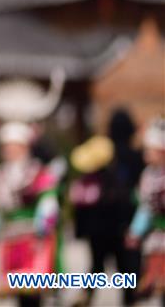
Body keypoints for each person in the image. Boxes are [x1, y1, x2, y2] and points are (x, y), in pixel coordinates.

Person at [70, 109, 144, 306]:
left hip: (97, 224)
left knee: (96, 264)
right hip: (124, 222)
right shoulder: (136, 157)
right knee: (127, 269)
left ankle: (86, 294)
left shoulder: (100, 151)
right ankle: (129, 301)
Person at [0, 123, 59, 307]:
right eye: (7, 148)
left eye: (14, 147)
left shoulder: (37, 173)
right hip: (11, 237)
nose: (10, 152)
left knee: (32, 290)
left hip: (33, 237)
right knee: (16, 289)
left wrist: (45, 222)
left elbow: (48, 199)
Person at [126, 118, 165, 302]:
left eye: (151, 149)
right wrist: (136, 231)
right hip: (157, 237)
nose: (146, 153)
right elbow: (146, 207)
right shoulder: (148, 175)